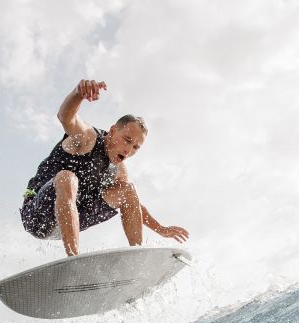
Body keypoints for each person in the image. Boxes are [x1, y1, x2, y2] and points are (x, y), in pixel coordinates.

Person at [20, 79, 189, 256]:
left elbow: (134, 205)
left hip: (74, 218)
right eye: (127, 140)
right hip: (39, 216)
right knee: (67, 177)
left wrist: (160, 228)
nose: (128, 150)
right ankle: (73, 258)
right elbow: (65, 116)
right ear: (113, 130)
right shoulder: (87, 138)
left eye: (135, 147)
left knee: (128, 190)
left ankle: (137, 257)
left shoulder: (119, 169)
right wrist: (78, 94)